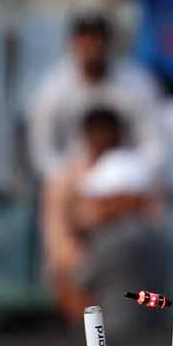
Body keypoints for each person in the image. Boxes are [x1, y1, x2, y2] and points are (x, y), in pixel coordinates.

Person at [42, 106, 163, 329]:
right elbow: (61, 246)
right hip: (88, 276)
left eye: (109, 134)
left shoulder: (137, 173)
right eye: (97, 134)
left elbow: (155, 222)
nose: (103, 140)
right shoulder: (65, 182)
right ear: (85, 137)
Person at [29, 12, 164, 182]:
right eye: (86, 42)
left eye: (97, 42)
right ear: (73, 44)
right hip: (72, 176)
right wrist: (69, 178)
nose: (92, 50)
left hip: (126, 177)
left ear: (109, 44)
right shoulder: (53, 88)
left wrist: (133, 174)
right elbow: (42, 149)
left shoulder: (138, 83)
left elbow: (155, 146)